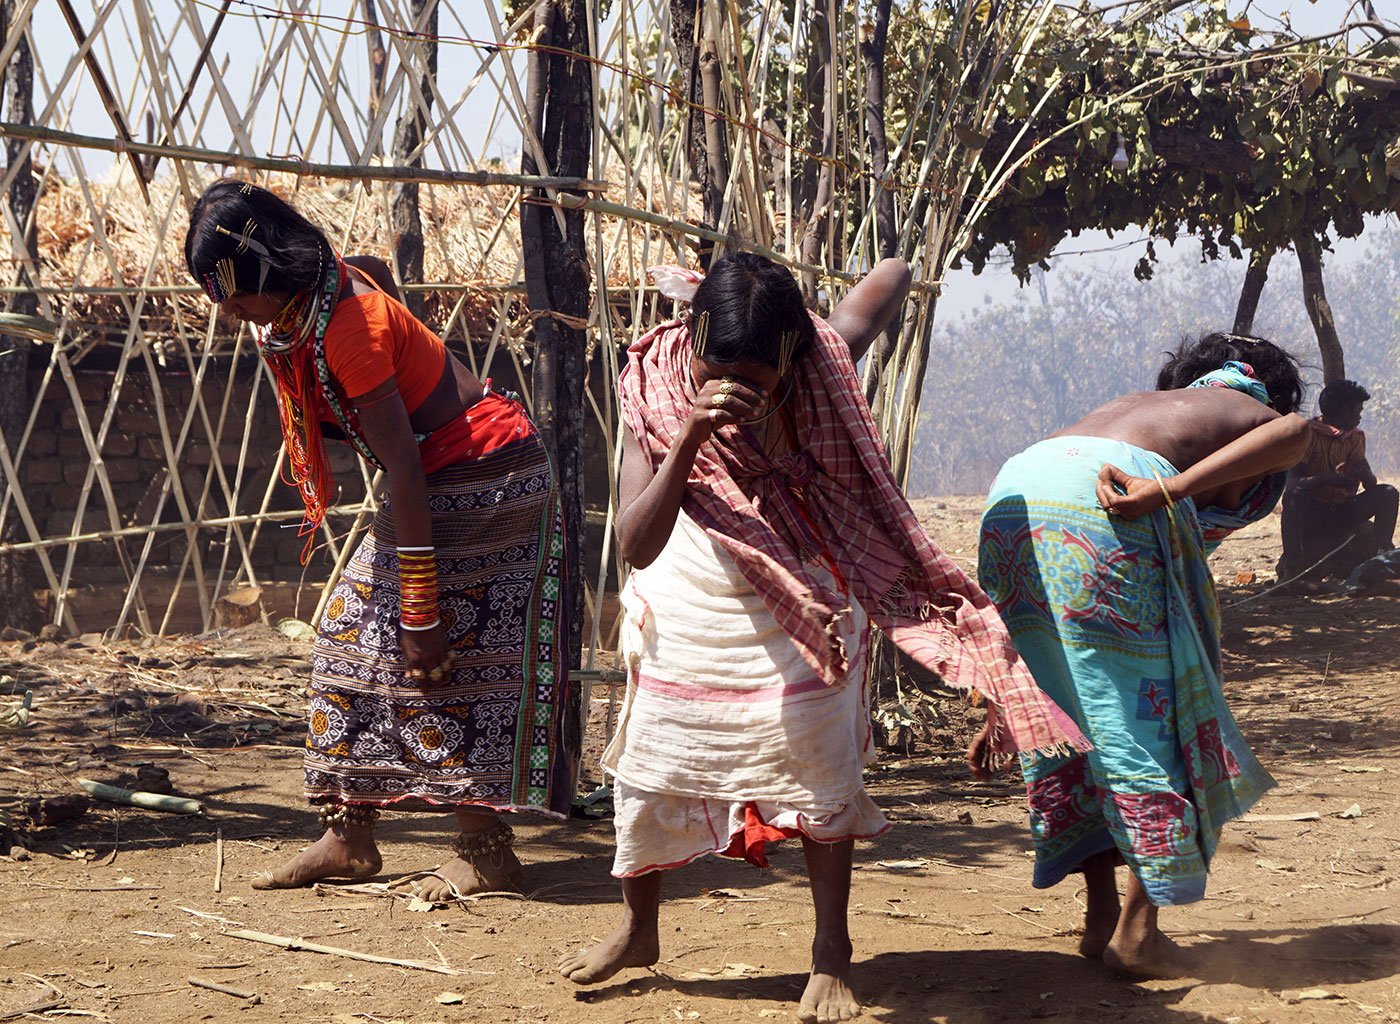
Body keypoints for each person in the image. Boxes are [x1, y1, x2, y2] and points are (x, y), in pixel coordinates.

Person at [559, 254, 1086, 1022]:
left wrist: (831, 314)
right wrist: (690, 440)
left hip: (809, 590)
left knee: (819, 759)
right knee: (653, 761)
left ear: (792, 355)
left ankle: (829, 953)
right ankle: (639, 928)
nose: (735, 386)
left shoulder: (821, 365)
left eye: (758, 375)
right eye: (718, 365)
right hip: (693, 588)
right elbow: (637, 544)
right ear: (692, 337)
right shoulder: (656, 383)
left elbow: (896, 273)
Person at [183, 180, 578, 899]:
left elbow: (402, 467)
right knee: (348, 636)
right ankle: (349, 837)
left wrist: (421, 613)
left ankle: (486, 850)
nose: (232, 314)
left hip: (484, 478)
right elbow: (383, 287)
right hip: (439, 475)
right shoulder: (326, 293)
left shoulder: (347, 325)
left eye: (236, 296)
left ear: (268, 272)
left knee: (440, 655)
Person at [977, 333, 1311, 980]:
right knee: (1155, 715)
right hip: (1102, 501)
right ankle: (1137, 933)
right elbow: (1295, 432)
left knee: (1075, 716)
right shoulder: (1248, 406)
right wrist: (1172, 490)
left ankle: (1100, 913)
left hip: (1015, 492)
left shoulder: (1149, 406)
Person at [1279, 379, 1397, 582]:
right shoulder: (1308, 434)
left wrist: (1364, 475)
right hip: (1314, 514)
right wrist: (1327, 478)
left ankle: (1382, 553)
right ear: (1344, 411)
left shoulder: (1354, 437)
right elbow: (1292, 485)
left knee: (1388, 493)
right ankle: (1292, 562)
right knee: (1293, 497)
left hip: (1343, 512)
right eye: (1357, 411)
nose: (1360, 417)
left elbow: (1371, 484)